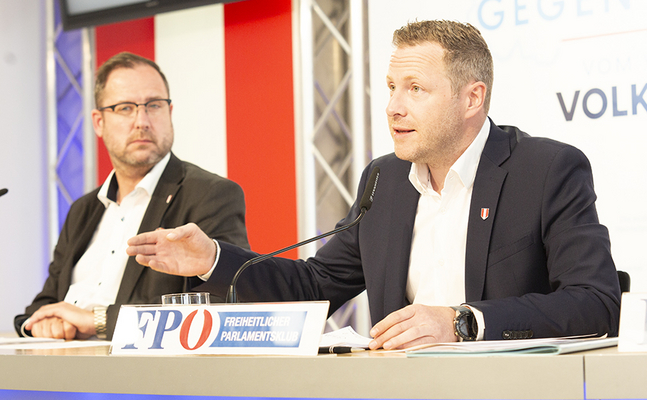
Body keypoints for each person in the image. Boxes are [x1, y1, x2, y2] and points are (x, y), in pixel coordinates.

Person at [126, 21, 621, 349]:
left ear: (473, 99)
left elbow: (595, 303)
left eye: (416, 89)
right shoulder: (383, 179)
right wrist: (211, 257)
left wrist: (459, 322)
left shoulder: (547, 169)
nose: (393, 108)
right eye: (390, 88)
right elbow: (315, 285)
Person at [15, 52, 249, 340]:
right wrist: (43, 322)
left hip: (147, 379)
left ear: (170, 113)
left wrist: (98, 321)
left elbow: (221, 302)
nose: (142, 121)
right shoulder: (83, 210)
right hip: (65, 372)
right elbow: (46, 301)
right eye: (125, 108)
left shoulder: (209, 195)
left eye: (153, 105)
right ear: (98, 122)